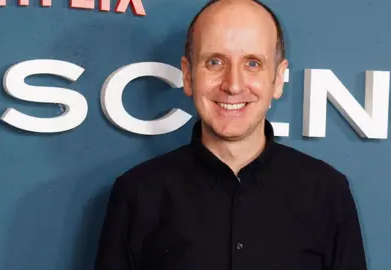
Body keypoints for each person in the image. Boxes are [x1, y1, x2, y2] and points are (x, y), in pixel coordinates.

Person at [93, 0, 368, 269]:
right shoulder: (136, 194)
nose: (233, 85)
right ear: (188, 76)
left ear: (278, 77)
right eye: (214, 62)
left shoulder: (328, 193)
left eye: (252, 64)